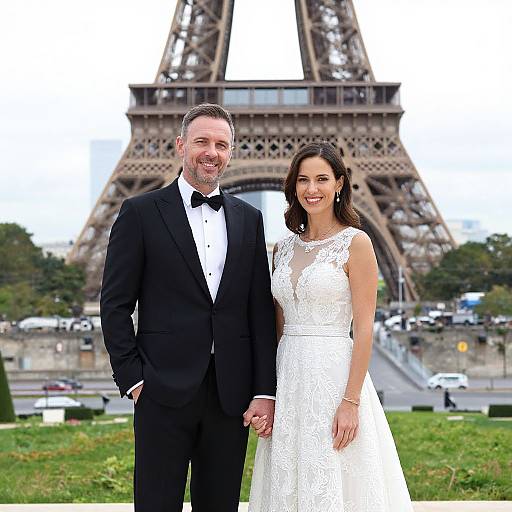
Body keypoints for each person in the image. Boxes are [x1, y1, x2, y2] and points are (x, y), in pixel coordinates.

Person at [101, 103, 277, 512]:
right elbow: (114, 304)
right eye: (202, 141)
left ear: (231, 152)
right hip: (160, 389)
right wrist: (133, 379)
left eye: (221, 144)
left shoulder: (248, 219)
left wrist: (263, 390)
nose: (211, 152)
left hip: (229, 394)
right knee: (156, 504)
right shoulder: (140, 213)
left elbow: (259, 312)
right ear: (181, 144)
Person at [248, 142, 413, 511]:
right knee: (290, 480)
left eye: (322, 178)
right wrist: (269, 393)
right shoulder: (284, 248)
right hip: (289, 377)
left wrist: (351, 402)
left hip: (334, 377)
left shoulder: (357, 243)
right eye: (303, 180)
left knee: (335, 476)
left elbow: (365, 330)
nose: (312, 188)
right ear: (293, 187)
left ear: (339, 183)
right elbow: (277, 328)